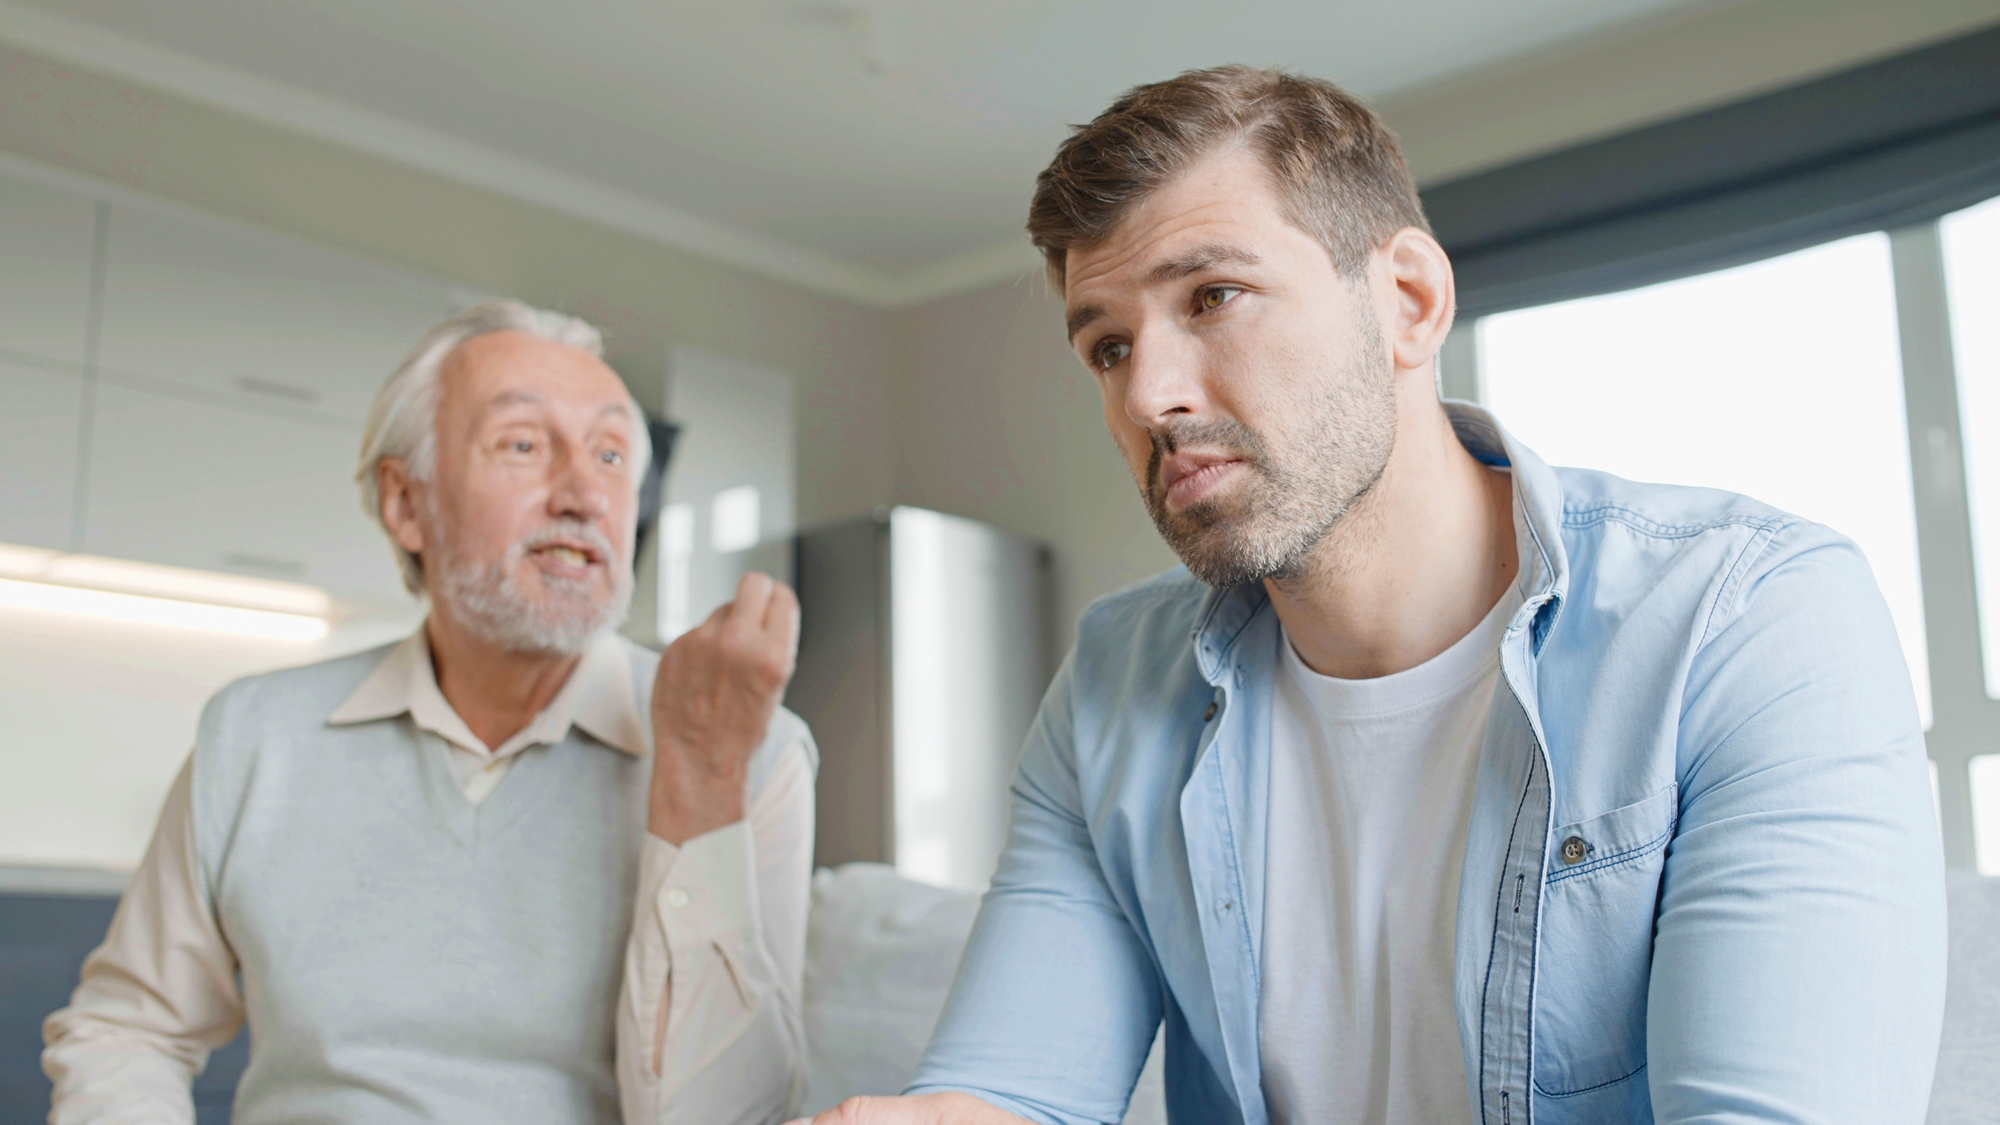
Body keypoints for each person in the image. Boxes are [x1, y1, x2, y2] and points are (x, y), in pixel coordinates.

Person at [796, 66, 1947, 1125]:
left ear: (1405, 299)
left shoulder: (1747, 621)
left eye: (1211, 295)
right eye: (1104, 345)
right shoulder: (1112, 683)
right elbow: (1013, 1093)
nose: (1146, 393)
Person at [44, 300, 812, 1125]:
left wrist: (700, 774)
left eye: (614, 454)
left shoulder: (753, 751)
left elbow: (731, 1121)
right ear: (406, 503)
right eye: (522, 444)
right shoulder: (254, 734)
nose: (586, 493)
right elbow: (129, 1029)